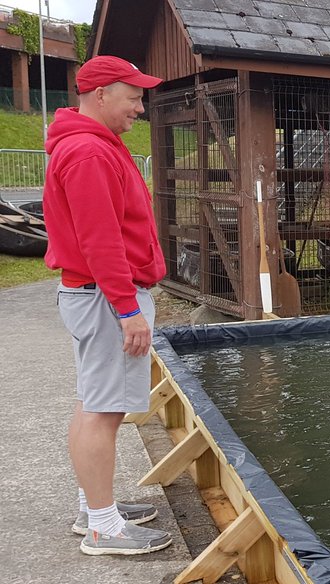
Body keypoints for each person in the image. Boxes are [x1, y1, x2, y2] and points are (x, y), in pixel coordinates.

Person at [42, 55, 173, 555]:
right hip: (104, 298)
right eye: (134, 96)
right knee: (103, 409)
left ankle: (93, 507)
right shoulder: (90, 153)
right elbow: (100, 241)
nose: (140, 106)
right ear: (101, 95)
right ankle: (103, 527)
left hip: (92, 295)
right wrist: (127, 308)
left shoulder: (91, 145)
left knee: (94, 403)